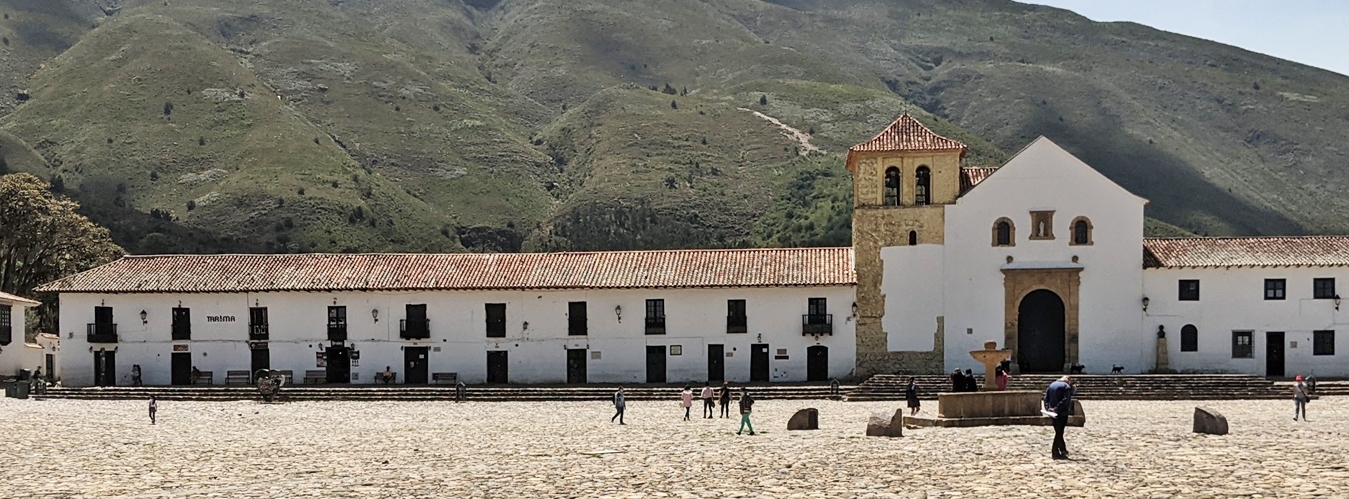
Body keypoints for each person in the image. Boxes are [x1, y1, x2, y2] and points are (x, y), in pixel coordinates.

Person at [1043, 376, 1075, 460]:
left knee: (1058, 431)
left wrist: (1048, 408)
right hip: (1062, 413)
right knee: (1059, 432)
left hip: (1052, 413)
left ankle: (1062, 449)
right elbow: (1065, 400)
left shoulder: (1051, 385)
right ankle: (1055, 452)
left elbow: (1046, 398)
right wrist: (1057, 409)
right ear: (1068, 381)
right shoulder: (1066, 387)